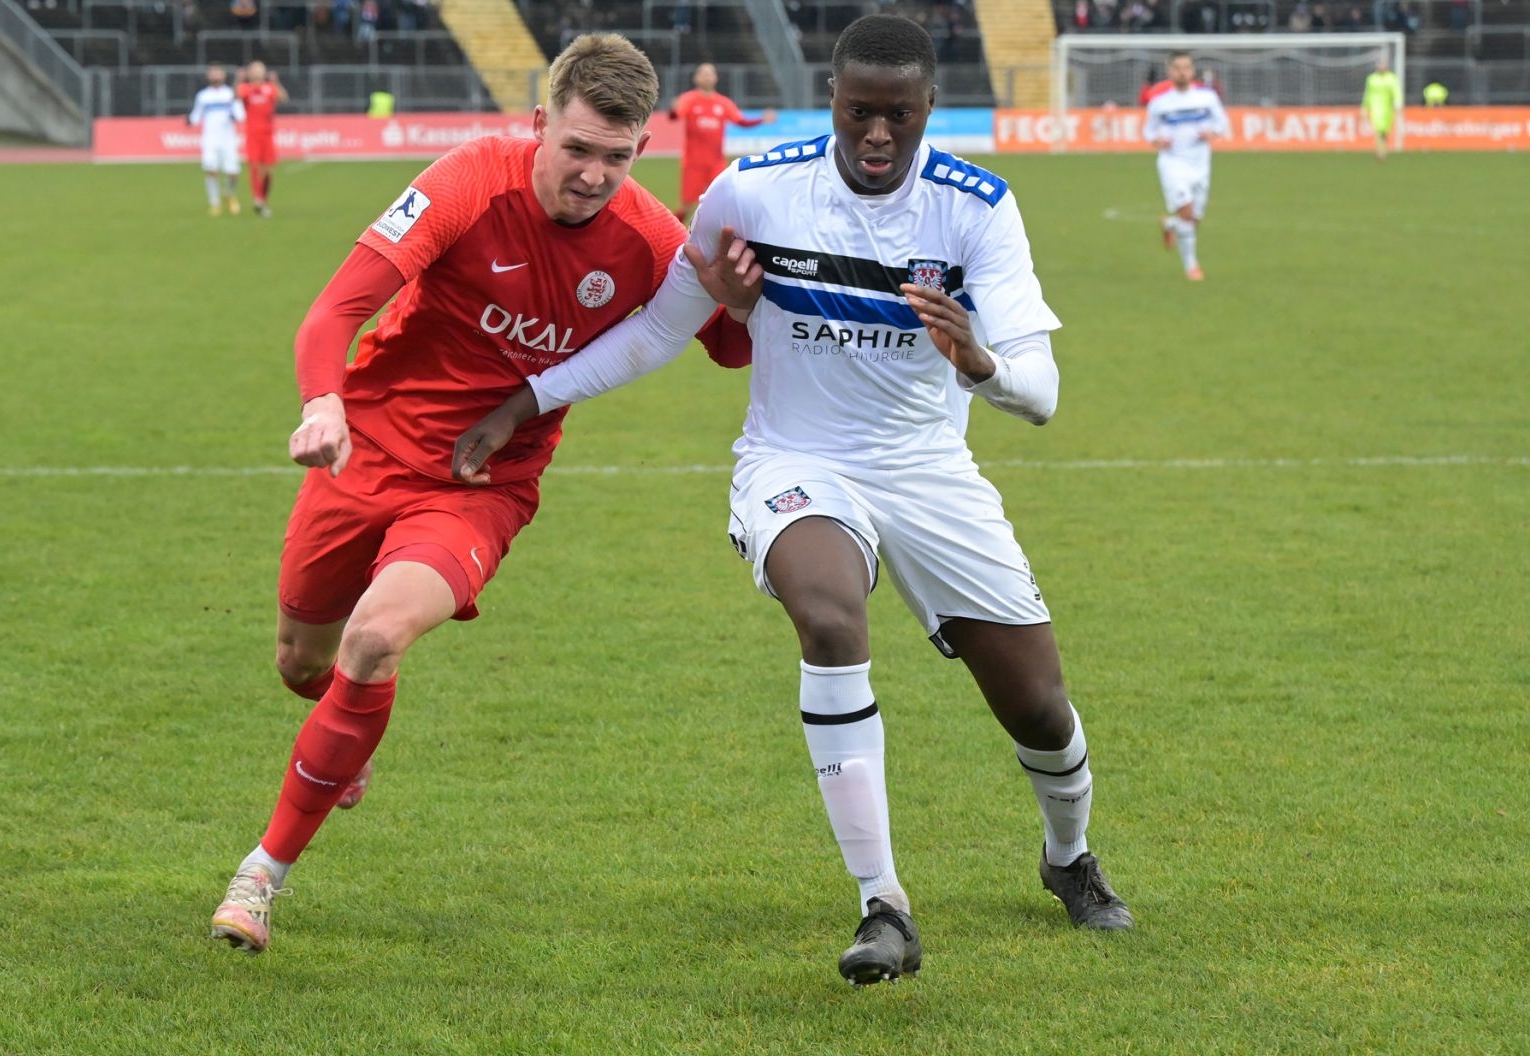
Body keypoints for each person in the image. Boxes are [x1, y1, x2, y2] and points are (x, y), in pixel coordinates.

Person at [454, 14, 1135, 987]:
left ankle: (1068, 855)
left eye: (898, 116)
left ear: (929, 109)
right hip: (795, 457)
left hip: (928, 468)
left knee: (1040, 707)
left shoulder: (976, 207)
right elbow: (656, 331)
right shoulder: (754, 191)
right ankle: (883, 903)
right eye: (859, 113)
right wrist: (527, 397)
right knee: (826, 612)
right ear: (833, 101)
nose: (876, 137)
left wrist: (980, 361)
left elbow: (1042, 391)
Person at [209, 33, 754, 952]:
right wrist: (323, 402)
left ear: (641, 151)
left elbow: (727, 350)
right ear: (540, 123)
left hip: (481, 484)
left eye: (615, 159)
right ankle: (340, 736)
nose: (591, 176)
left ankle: (261, 877)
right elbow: (336, 309)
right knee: (302, 663)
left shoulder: (654, 240)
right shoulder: (468, 181)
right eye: (576, 149)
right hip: (368, 448)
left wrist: (736, 301)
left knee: (375, 638)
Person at [1143, 51, 1228, 282]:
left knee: (1194, 219)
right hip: (1172, 163)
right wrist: (1158, 141)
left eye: (1187, 67)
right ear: (1170, 72)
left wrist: (1212, 132)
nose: (1182, 71)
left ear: (1192, 71)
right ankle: (1192, 266)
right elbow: (1148, 132)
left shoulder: (1207, 98)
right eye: (1177, 67)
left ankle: (1170, 224)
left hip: (1200, 164)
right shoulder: (1159, 103)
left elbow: (1222, 124)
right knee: (1188, 214)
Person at [667, 62, 775, 221]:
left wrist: (761, 120)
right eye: (703, 73)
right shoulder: (689, 99)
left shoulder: (723, 103)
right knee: (687, 205)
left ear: (715, 78)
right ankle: (673, 234)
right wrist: (672, 109)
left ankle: (723, 236)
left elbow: (741, 121)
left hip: (716, 163)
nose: (706, 76)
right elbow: (675, 115)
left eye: (710, 73)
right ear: (696, 78)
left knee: (725, 201)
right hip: (693, 163)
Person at [190, 64, 246, 216]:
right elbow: (196, 115)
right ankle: (214, 202)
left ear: (223, 75)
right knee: (211, 170)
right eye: (212, 73)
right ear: (208, 76)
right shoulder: (203, 96)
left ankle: (229, 194)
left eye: (218, 72)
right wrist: (189, 121)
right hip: (210, 139)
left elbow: (240, 115)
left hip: (228, 139)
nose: (215, 75)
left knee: (232, 172)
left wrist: (234, 116)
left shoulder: (231, 94)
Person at [237, 60, 289, 216]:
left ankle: (263, 200)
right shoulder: (246, 88)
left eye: (260, 69)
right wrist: (239, 79)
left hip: (268, 134)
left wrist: (276, 82)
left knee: (268, 172)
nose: (258, 72)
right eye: (255, 69)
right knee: (254, 166)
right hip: (252, 134)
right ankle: (257, 200)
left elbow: (284, 98)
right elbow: (236, 95)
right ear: (250, 72)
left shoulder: (270, 88)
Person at [1363, 56, 1404, 160]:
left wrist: (1398, 104)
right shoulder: (1371, 79)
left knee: (1384, 131)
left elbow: (1397, 92)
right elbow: (1367, 94)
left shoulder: (1392, 78)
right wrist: (1364, 107)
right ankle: (1380, 152)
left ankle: (1382, 148)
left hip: (1388, 107)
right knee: (1378, 128)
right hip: (1375, 107)